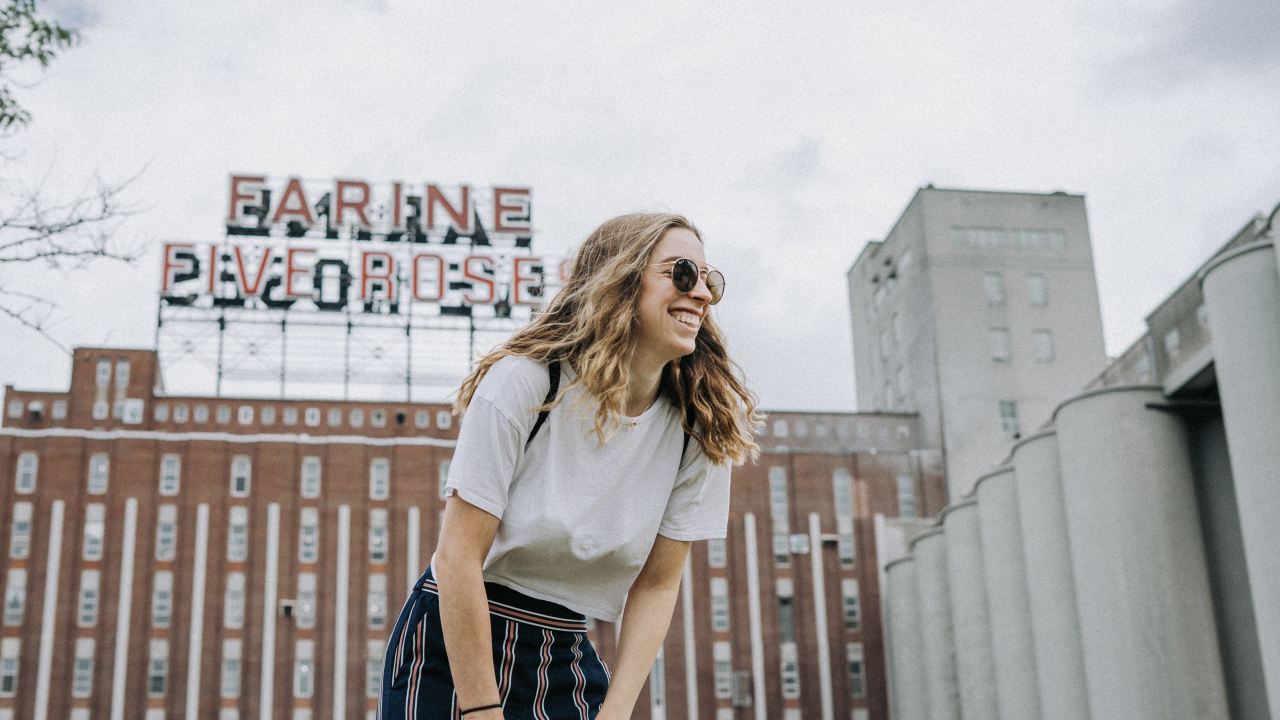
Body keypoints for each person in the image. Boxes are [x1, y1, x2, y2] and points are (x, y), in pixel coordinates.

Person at [379, 212, 760, 720]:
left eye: (710, 281)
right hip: (454, 640)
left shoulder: (701, 423)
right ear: (620, 279)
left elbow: (658, 584)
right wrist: (481, 711)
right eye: (683, 273)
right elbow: (458, 558)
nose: (703, 294)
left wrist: (617, 711)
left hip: (564, 648)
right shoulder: (527, 382)